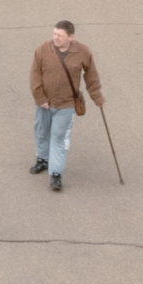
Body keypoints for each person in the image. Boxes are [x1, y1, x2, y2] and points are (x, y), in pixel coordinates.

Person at [29, 19, 104, 192]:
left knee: (58, 138)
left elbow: (91, 76)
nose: (55, 38)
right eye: (54, 34)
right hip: (44, 103)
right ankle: (42, 159)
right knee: (41, 132)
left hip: (67, 104)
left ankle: (55, 174)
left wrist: (97, 97)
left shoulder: (83, 52)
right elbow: (34, 75)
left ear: (71, 37)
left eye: (60, 35)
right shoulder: (43, 50)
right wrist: (40, 98)